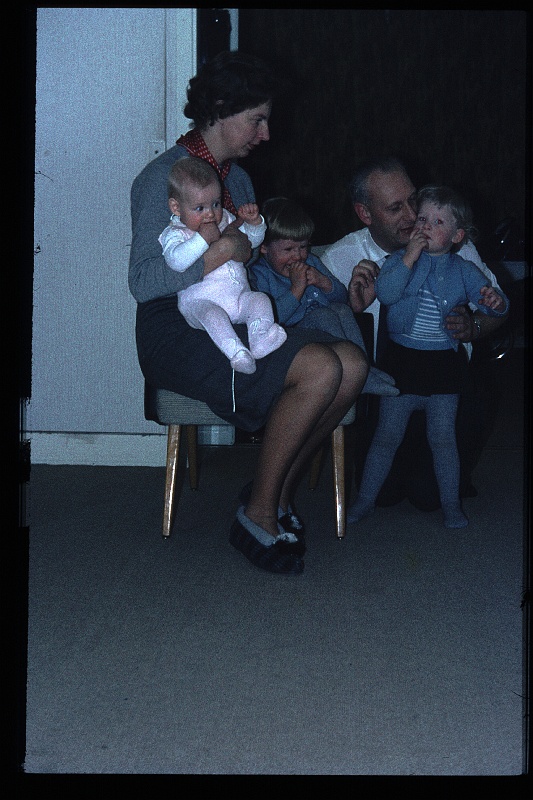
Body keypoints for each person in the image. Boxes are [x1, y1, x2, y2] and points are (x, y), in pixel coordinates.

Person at [129, 51, 367, 575]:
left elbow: (249, 263)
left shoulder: (237, 182)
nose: (266, 133)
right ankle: (256, 515)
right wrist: (221, 252)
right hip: (179, 324)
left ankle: (274, 492)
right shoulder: (162, 179)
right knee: (321, 367)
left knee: (351, 362)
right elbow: (143, 282)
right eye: (257, 119)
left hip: (236, 311)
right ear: (219, 107)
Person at [321, 156, 510, 510]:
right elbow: (315, 329)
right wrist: (349, 307)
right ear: (365, 214)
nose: (413, 215)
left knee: (429, 495)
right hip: (387, 387)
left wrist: (474, 327)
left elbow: (498, 307)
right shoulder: (341, 259)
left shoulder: (454, 245)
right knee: (384, 494)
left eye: (413, 199)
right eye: (396, 208)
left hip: (449, 381)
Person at [250, 196, 399, 397]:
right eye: (288, 249)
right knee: (323, 315)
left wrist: (324, 282)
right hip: (290, 339)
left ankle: (365, 367)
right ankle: (361, 375)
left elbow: (341, 298)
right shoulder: (261, 275)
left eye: (303, 247)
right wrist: (297, 288)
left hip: (324, 333)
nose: (298, 256)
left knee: (341, 310)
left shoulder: (312, 262)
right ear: (264, 247)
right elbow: (273, 319)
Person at [159, 157, 286, 375]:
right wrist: (202, 239)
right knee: (213, 317)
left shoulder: (225, 219)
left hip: (238, 298)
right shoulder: (175, 233)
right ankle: (237, 353)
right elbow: (176, 262)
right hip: (200, 302)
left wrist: (255, 224)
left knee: (260, 299)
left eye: (216, 204)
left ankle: (260, 338)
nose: (210, 213)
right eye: (199, 208)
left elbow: (250, 243)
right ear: (176, 207)